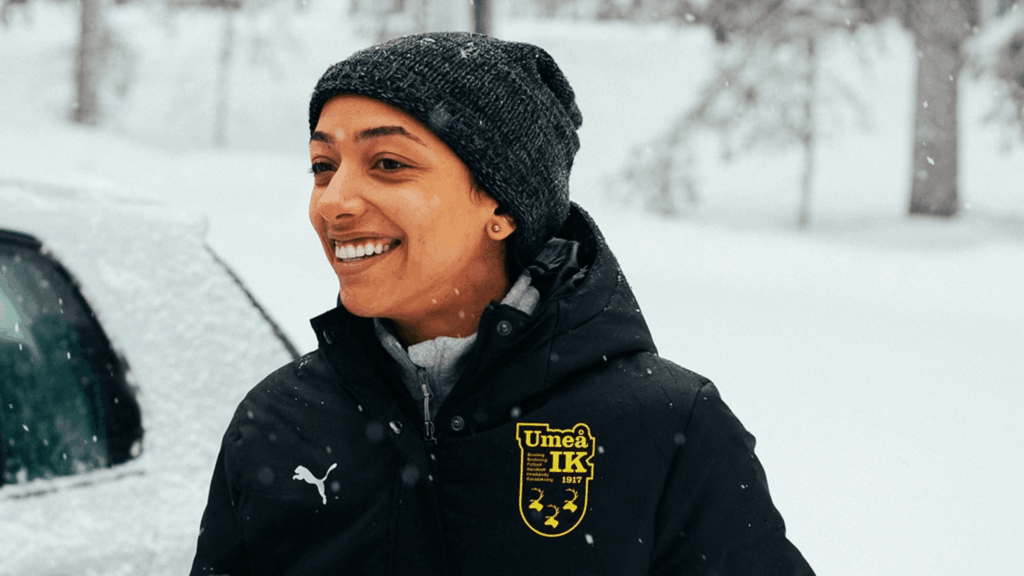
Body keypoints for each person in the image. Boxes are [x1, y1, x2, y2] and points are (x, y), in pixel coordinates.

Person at [190, 31, 815, 576]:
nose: (333, 201)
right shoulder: (278, 422)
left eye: (388, 163)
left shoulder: (665, 426)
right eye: (323, 166)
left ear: (501, 206)